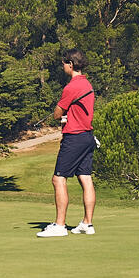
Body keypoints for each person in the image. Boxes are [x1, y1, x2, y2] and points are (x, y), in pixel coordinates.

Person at [37, 50, 98, 238]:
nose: (62, 66)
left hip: (75, 137)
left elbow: (57, 113)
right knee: (85, 177)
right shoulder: (87, 83)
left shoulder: (71, 87)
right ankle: (87, 224)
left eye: (64, 63)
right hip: (88, 136)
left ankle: (60, 225)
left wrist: (62, 116)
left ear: (71, 64)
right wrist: (68, 117)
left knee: (58, 179)